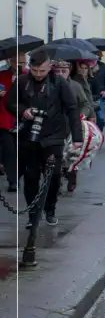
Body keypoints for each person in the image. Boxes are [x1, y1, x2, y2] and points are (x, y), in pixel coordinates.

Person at [6, 49, 82, 227]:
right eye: (34, 71)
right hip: (29, 136)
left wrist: (77, 137)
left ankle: (50, 209)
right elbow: (10, 103)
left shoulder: (60, 83)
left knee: (54, 176)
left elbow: (72, 108)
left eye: (42, 71)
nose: (38, 75)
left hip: (53, 135)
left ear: (50, 68)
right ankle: (33, 214)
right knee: (31, 177)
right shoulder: (22, 82)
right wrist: (22, 111)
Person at [56, 60, 95, 194]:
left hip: (72, 126)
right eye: (57, 71)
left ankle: (71, 177)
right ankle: (57, 183)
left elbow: (86, 104)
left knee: (71, 155)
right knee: (56, 156)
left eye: (63, 71)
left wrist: (82, 115)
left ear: (69, 71)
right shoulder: (50, 85)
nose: (60, 74)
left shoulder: (75, 86)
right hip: (55, 126)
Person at [0, 52, 25, 192]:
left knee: (21, 151)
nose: (19, 66)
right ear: (10, 62)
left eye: (22, 63)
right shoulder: (2, 75)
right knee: (10, 150)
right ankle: (13, 180)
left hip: (23, 118)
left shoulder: (28, 76)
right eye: (16, 63)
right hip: (6, 118)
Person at [89, 50, 105, 130]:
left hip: (100, 96)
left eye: (99, 56)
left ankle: (99, 135)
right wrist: (92, 71)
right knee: (91, 118)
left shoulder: (102, 66)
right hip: (89, 95)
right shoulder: (87, 66)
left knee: (101, 118)